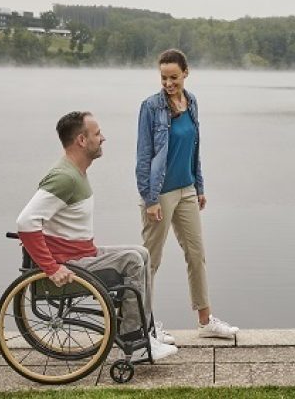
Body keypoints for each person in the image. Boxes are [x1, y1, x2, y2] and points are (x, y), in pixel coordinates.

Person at [16, 111, 178, 361]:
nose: (103, 138)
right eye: (97, 133)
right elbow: (26, 222)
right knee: (132, 261)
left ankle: (148, 331)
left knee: (142, 253)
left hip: (82, 253)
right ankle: (134, 342)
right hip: (70, 264)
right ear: (81, 140)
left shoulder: (75, 172)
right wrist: (51, 268)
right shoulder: (64, 177)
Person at [136, 49, 238, 339]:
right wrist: (150, 198)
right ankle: (144, 326)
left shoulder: (191, 102)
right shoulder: (150, 107)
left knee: (196, 254)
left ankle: (205, 322)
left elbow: (194, 148)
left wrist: (199, 186)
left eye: (174, 78)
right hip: (160, 194)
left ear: (186, 74)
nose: (168, 83)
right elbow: (144, 157)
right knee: (150, 262)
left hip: (187, 190)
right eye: (164, 77)